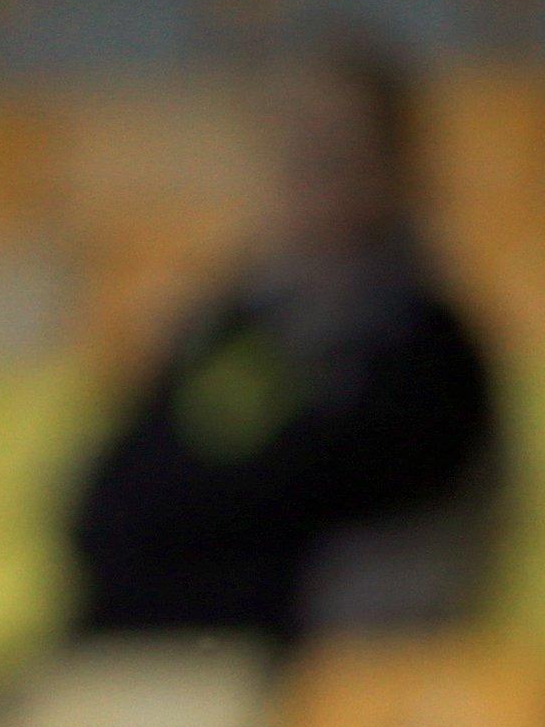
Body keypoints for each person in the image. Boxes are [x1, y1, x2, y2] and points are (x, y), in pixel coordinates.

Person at [67, 32, 504, 647]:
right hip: (172, 646)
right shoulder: (233, 326)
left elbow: (334, 510)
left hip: (327, 666)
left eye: (336, 146)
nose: (310, 168)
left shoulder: (430, 345)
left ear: (397, 164)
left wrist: (203, 517)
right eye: (294, 143)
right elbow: (107, 504)